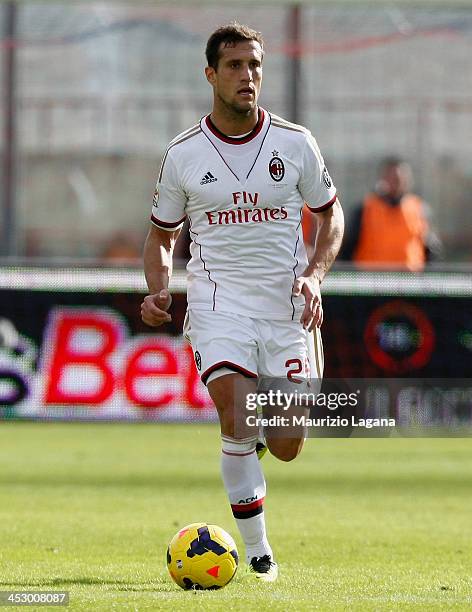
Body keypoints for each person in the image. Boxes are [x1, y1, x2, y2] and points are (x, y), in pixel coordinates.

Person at [141, 23, 344, 582]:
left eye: (254, 65)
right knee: (235, 414)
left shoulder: (295, 143)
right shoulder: (183, 155)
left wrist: (316, 275)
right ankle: (258, 555)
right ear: (211, 74)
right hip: (216, 301)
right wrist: (159, 288)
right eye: (233, 66)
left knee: (285, 445)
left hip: (284, 304)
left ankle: (262, 429)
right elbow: (161, 235)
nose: (247, 76)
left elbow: (330, 214)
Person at [340, 157, 441, 271]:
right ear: (382, 179)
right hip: (372, 282)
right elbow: (347, 249)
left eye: (400, 179)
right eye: (392, 178)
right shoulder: (365, 209)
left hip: (410, 282)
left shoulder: (420, 209)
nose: (396, 183)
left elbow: (431, 250)